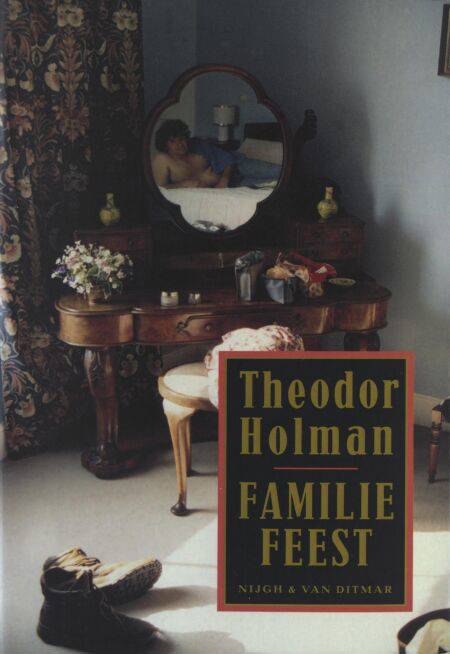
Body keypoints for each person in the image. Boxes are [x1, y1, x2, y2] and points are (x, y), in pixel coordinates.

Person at [152, 119, 234, 189]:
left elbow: (228, 159)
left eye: (181, 139)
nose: (179, 144)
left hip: (220, 189)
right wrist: (184, 184)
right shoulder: (162, 160)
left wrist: (224, 180)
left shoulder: (200, 147)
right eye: (172, 141)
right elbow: (159, 189)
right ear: (165, 144)